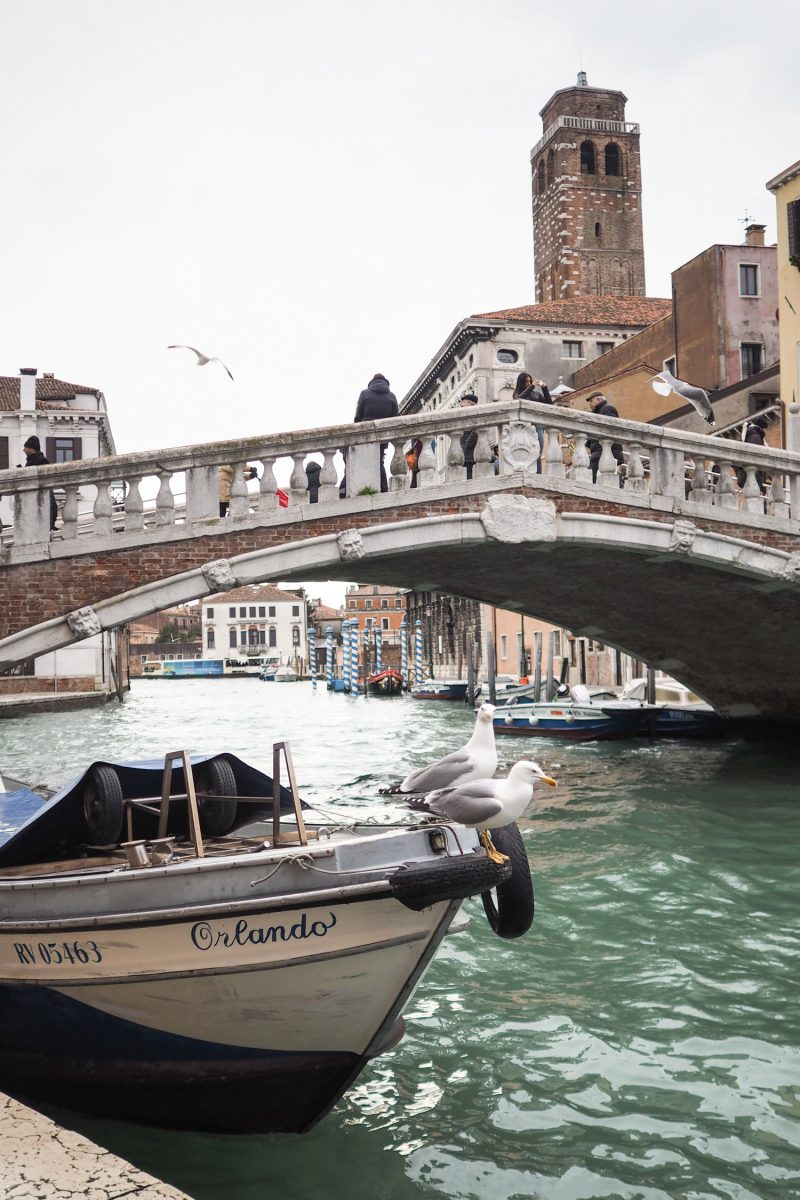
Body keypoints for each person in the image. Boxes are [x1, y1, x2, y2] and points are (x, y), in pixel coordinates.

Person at [353, 373, 399, 493]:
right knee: (379, 461)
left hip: (365, 433)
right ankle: (383, 488)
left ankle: (363, 488)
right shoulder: (392, 396)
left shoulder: (364, 393)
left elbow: (358, 416)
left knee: (363, 460)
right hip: (383, 435)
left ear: (372, 382)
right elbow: (396, 419)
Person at [513, 373, 552, 473]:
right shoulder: (517, 393)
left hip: (538, 426)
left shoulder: (536, 394)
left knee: (537, 452)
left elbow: (549, 404)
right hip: (524, 427)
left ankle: (538, 475)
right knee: (526, 452)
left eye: (530, 381)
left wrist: (545, 388)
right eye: (526, 382)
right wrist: (532, 386)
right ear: (521, 382)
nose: (528, 383)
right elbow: (519, 399)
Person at [585, 392, 624, 484]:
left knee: (594, 476)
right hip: (599, 450)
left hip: (604, 450)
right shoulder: (598, 412)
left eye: (591, 401)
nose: (590, 404)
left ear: (598, 400)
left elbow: (611, 429)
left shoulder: (607, 409)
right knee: (601, 476)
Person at [22, 435, 58, 530]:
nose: (24, 450)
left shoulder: (41, 461)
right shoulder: (32, 461)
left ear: (31, 448)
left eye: (25, 447)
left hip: (42, 502)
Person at [736, 414, 769, 493]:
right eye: (764, 429)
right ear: (761, 428)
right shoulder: (756, 437)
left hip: (745, 472)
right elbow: (755, 458)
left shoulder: (751, 434)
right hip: (751, 473)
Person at [459, 394, 479, 479]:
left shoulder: (476, 415)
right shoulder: (463, 417)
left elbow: (475, 432)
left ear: (471, 404)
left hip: (471, 456)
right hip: (464, 456)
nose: (461, 405)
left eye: (464, 403)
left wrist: (466, 446)